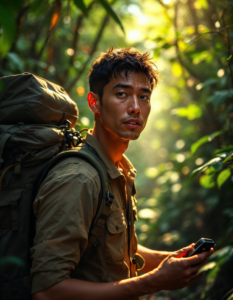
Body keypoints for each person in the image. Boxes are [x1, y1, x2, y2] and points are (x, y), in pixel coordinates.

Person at [31, 47, 213, 300]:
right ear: (95, 103)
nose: (135, 107)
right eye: (122, 94)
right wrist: (154, 281)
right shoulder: (79, 178)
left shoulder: (118, 169)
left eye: (144, 97)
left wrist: (169, 262)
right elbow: (47, 291)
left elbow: (113, 250)